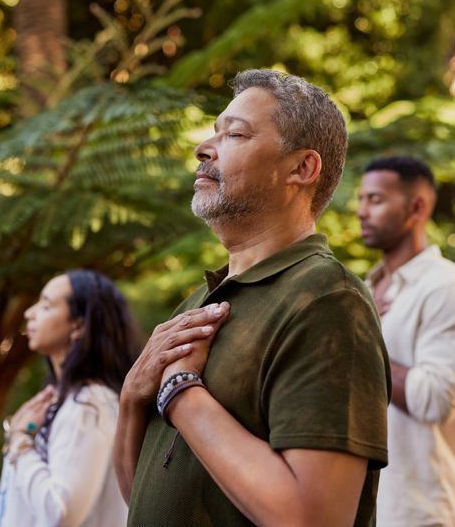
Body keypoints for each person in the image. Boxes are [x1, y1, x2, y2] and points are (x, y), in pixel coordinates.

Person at [113, 69, 391, 527]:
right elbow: (139, 495)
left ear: (302, 168)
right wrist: (132, 397)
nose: (205, 148)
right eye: (213, 132)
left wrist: (180, 392)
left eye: (235, 133)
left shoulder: (326, 300)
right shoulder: (195, 304)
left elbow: (313, 518)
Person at [356, 156, 455, 526]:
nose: (362, 211)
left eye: (376, 200)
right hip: (369, 509)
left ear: (417, 207)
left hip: (425, 513)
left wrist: (362, 344)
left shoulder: (445, 288)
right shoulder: (366, 290)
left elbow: (436, 399)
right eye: (362, 199)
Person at [0, 269, 139, 527]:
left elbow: (60, 513)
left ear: (79, 325)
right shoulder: (61, 400)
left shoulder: (90, 404)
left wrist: (20, 442)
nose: (29, 313)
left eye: (46, 305)